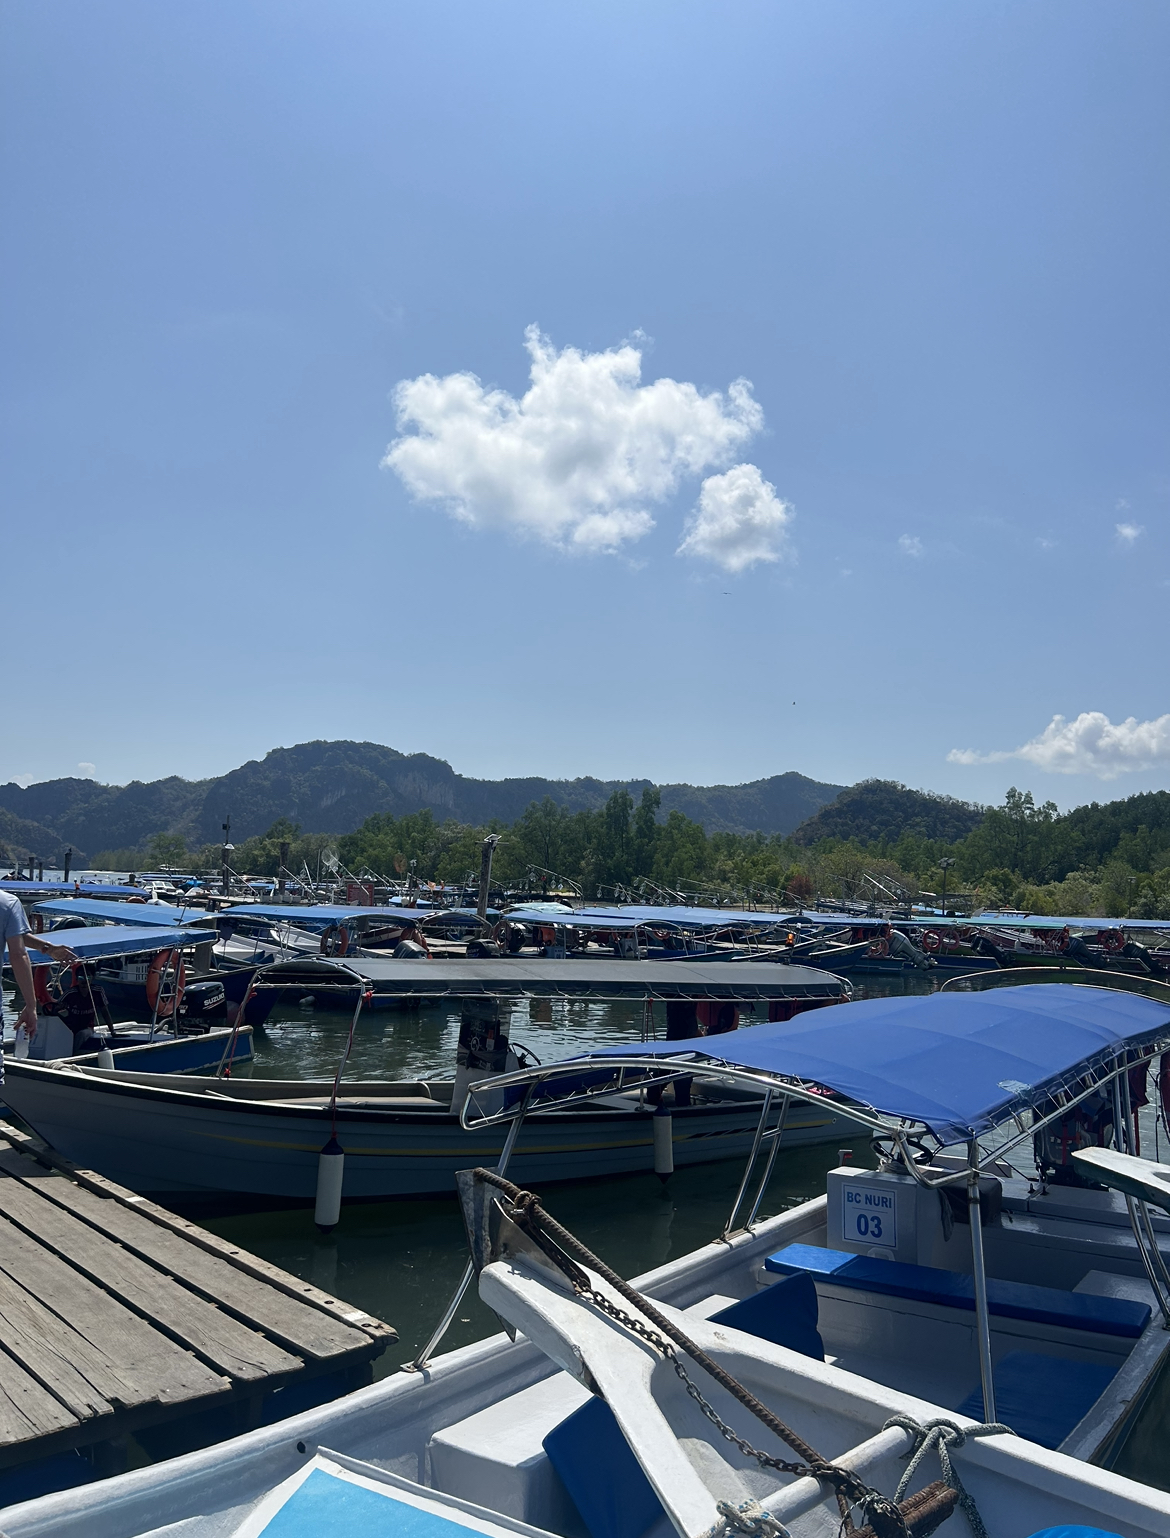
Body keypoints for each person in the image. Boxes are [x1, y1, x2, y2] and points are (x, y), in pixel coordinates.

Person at [1, 889, 78, 1065]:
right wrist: (30, 1005)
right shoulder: (7, 903)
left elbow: (15, 934)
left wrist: (48, 948)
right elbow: (18, 953)